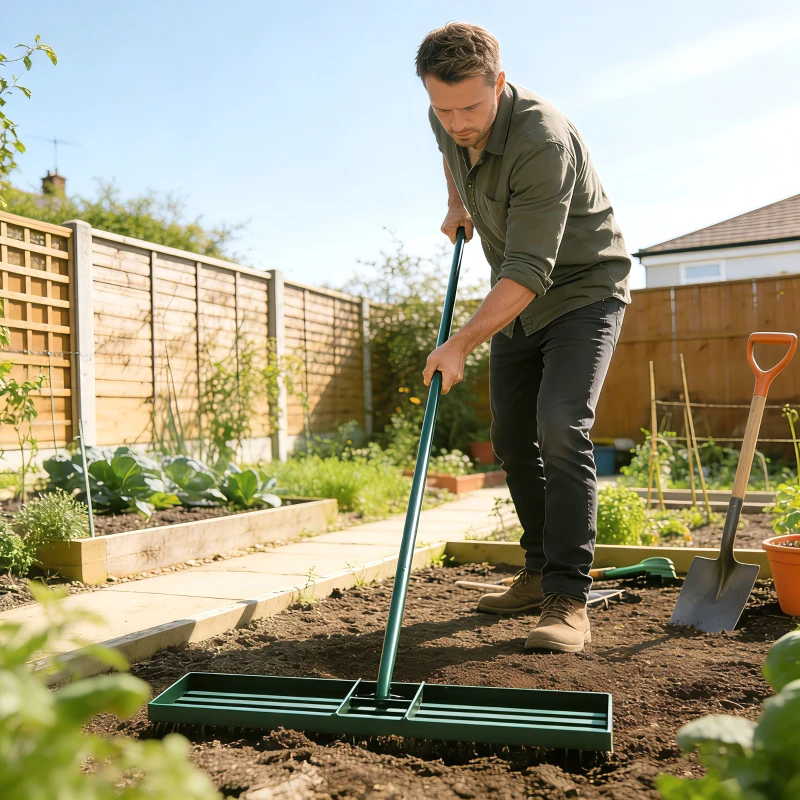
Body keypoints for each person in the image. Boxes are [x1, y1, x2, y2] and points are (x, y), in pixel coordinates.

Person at [416, 22, 631, 653]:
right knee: (511, 436)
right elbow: (448, 153)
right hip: (518, 296)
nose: (457, 122)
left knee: (561, 427)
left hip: (581, 290)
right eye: (442, 107)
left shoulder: (542, 138)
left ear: (500, 83)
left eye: (471, 108)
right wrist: (458, 202)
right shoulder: (447, 117)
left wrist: (458, 342)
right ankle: (537, 572)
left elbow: (531, 270)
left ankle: (569, 595)